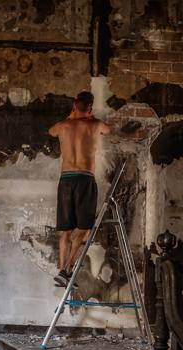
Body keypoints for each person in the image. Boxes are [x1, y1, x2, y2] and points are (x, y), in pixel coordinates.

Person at [48, 91, 111, 287]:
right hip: (84, 178)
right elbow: (108, 130)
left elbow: (51, 131)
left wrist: (71, 116)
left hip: (66, 180)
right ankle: (67, 269)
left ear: (74, 106)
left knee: (66, 230)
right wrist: (91, 117)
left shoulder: (62, 126)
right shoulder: (94, 125)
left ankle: (62, 271)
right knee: (83, 228)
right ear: (90, 107)